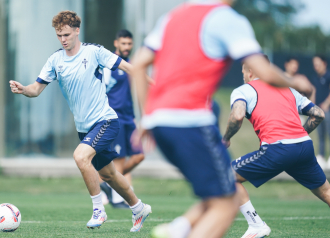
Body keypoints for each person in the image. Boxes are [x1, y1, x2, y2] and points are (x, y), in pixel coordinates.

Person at [131, 1, 312, 237]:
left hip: (160, 123)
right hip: (191, 122)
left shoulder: (174, 16)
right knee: (227, 203)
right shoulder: (227, 19)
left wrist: (147, 117)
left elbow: (138, 64)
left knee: (221, 192)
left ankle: (180, 227)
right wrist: (296, 82)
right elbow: (264, 71)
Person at [9, 11, 151, 231]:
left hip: (106, 121)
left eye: (66, 34)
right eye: (59, 35)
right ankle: (139, 207)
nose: (63, 39)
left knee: (79, 156)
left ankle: (98, 210)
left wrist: (151, 81)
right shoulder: (55, 60)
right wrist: (23, 89)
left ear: (77, 31)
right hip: (84, 129)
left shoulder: (94, 52)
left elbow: (128, 67)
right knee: (110, 175)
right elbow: (36, 89)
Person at [222, 58, 329, 238]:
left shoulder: (243, 91)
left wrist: (226, 138)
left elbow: (237, 116)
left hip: (277, 149)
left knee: (225, 175)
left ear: (250, 71)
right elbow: (318, 114)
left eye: (243, 72)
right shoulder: (287, 89)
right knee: (326, 191)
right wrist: (299, 134)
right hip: (303, 147)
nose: (243, 77)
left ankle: (256, 225)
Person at [101, 29, 145, 209]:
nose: (127, 47)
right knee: (119, 158)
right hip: (115, 117)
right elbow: (101, 89)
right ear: (116, 43)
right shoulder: (110, 64)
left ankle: (108, 182)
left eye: (129, 44)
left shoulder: (131, 64)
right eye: (123, 43)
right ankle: (118, 197)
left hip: (129, 118)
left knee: (139, 156)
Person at [311, 55, 330, 168]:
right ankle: (321, 157)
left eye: (317, 63)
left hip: (328, 111)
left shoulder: (328, 76)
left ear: (324, 63)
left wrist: (327, 104)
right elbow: (313, 94)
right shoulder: (315, 78)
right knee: (321, 135)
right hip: (318, 112)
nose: (316, 66)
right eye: (314, 63)